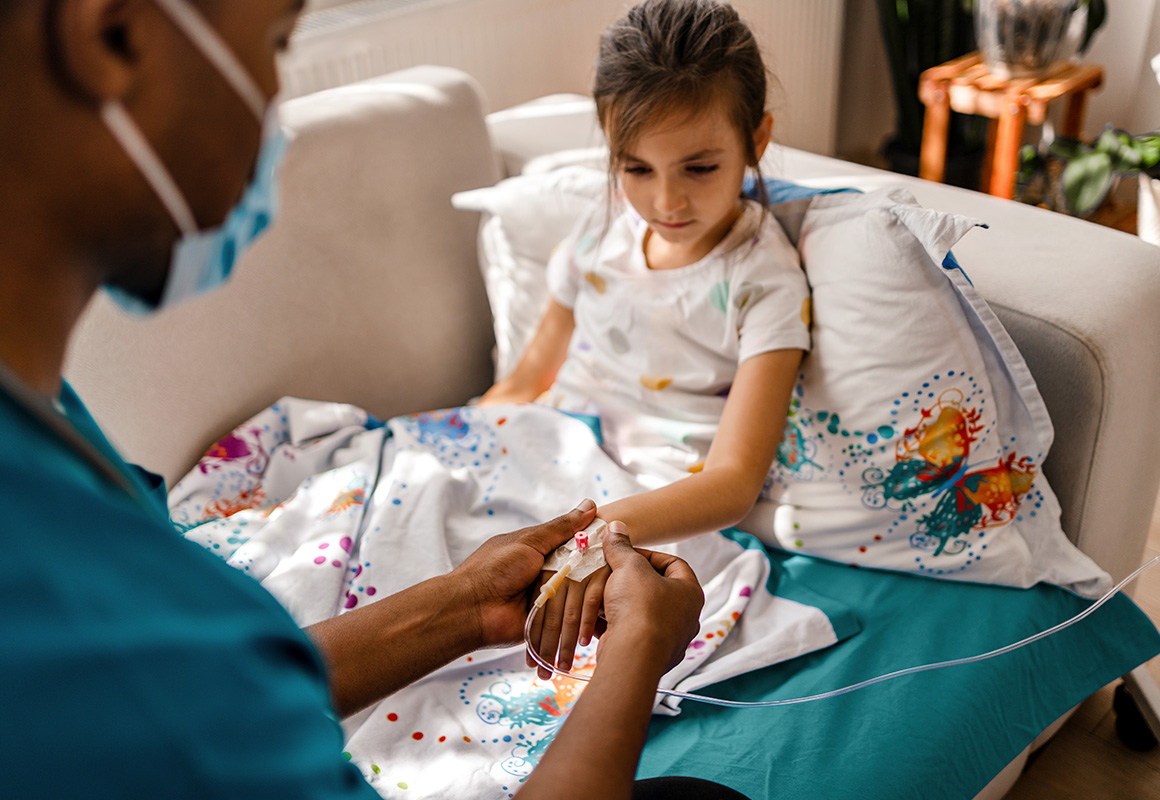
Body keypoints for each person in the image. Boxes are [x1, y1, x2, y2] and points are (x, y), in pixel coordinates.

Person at [0, 1, 747, 798]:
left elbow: (221, 687)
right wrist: (638, 647)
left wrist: (464, 606)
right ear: (111, 34)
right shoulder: (50, 590)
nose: (276, 111)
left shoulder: (52, 438)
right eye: (278, 39)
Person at [479, 0, 809, 680]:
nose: (666, 203)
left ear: (757, 140)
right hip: (556, 449)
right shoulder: (599, 232)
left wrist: (597, 534)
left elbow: (733, 481)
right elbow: (527, 376)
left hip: (653, 504)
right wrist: (463, 431)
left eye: (699, 167)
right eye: (636, 169)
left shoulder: (764, 281)